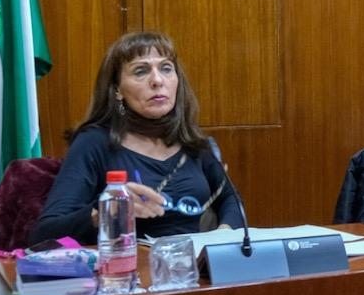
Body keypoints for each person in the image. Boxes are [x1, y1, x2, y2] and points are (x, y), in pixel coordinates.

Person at [29, 32, 242, 244]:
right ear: (117, 91)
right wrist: (104, 210)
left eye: (166, 68)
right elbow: (45, 233)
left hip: (192, 270)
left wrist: (223, 234)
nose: (157, 80)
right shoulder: (94, 142)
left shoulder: (191, 140)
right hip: (126, 270)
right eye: (141, 71)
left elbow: (229, 199)